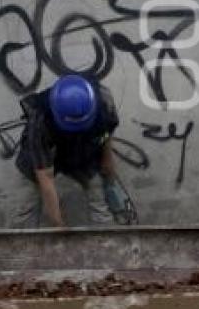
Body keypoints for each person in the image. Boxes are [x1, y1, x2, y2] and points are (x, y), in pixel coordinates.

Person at [12, 74, 132, 228]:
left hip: (84, 148)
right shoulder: (40, 121)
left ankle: (106, 244)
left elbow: (106, 133)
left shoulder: (104, 102)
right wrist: (58, 224)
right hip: (47, 152)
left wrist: (107, 163)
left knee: (100, 203)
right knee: (26, 209)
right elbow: (45, 179)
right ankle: (21, 248)